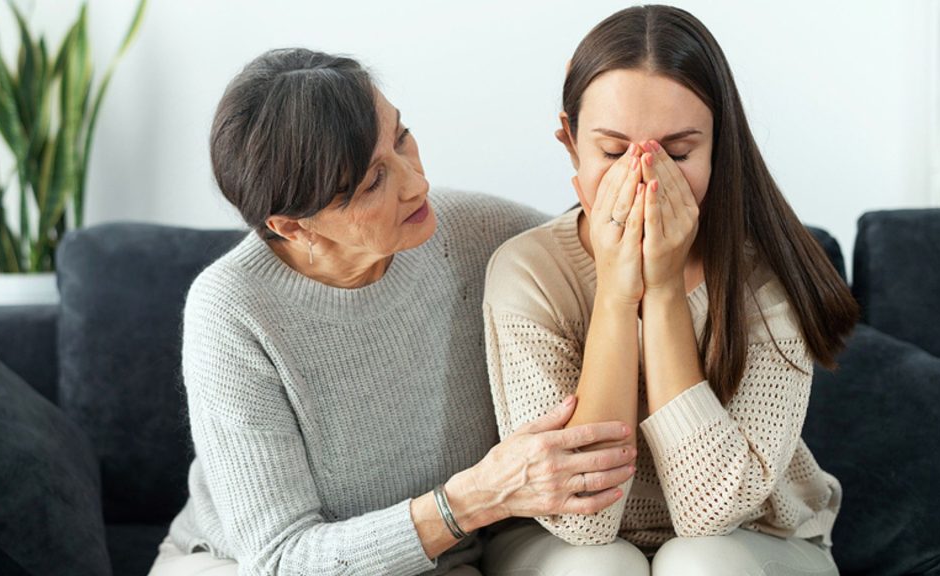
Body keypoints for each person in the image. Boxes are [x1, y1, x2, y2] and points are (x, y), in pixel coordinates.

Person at [148, 48, 640, 576]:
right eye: (372, 182)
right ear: (293, 226)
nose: (415, 182)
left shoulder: (472, 232)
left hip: (450, 555)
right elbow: (280, 559)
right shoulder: (231, 312)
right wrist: (475, 498)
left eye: (402, 137)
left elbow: (606, 248)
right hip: (238, 564)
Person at [481, 5, 859, 575]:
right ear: (570, 142)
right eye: (612, 153)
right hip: (556, 540)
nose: (646, 181)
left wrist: (661, 293)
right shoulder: (529, 271)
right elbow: (582, 521)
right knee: (596, 565)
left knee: (699, 561)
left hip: (757, 539)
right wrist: (615, 291)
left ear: (718, 145)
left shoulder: (770, 280)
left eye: (678, 154)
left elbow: (713, 513)